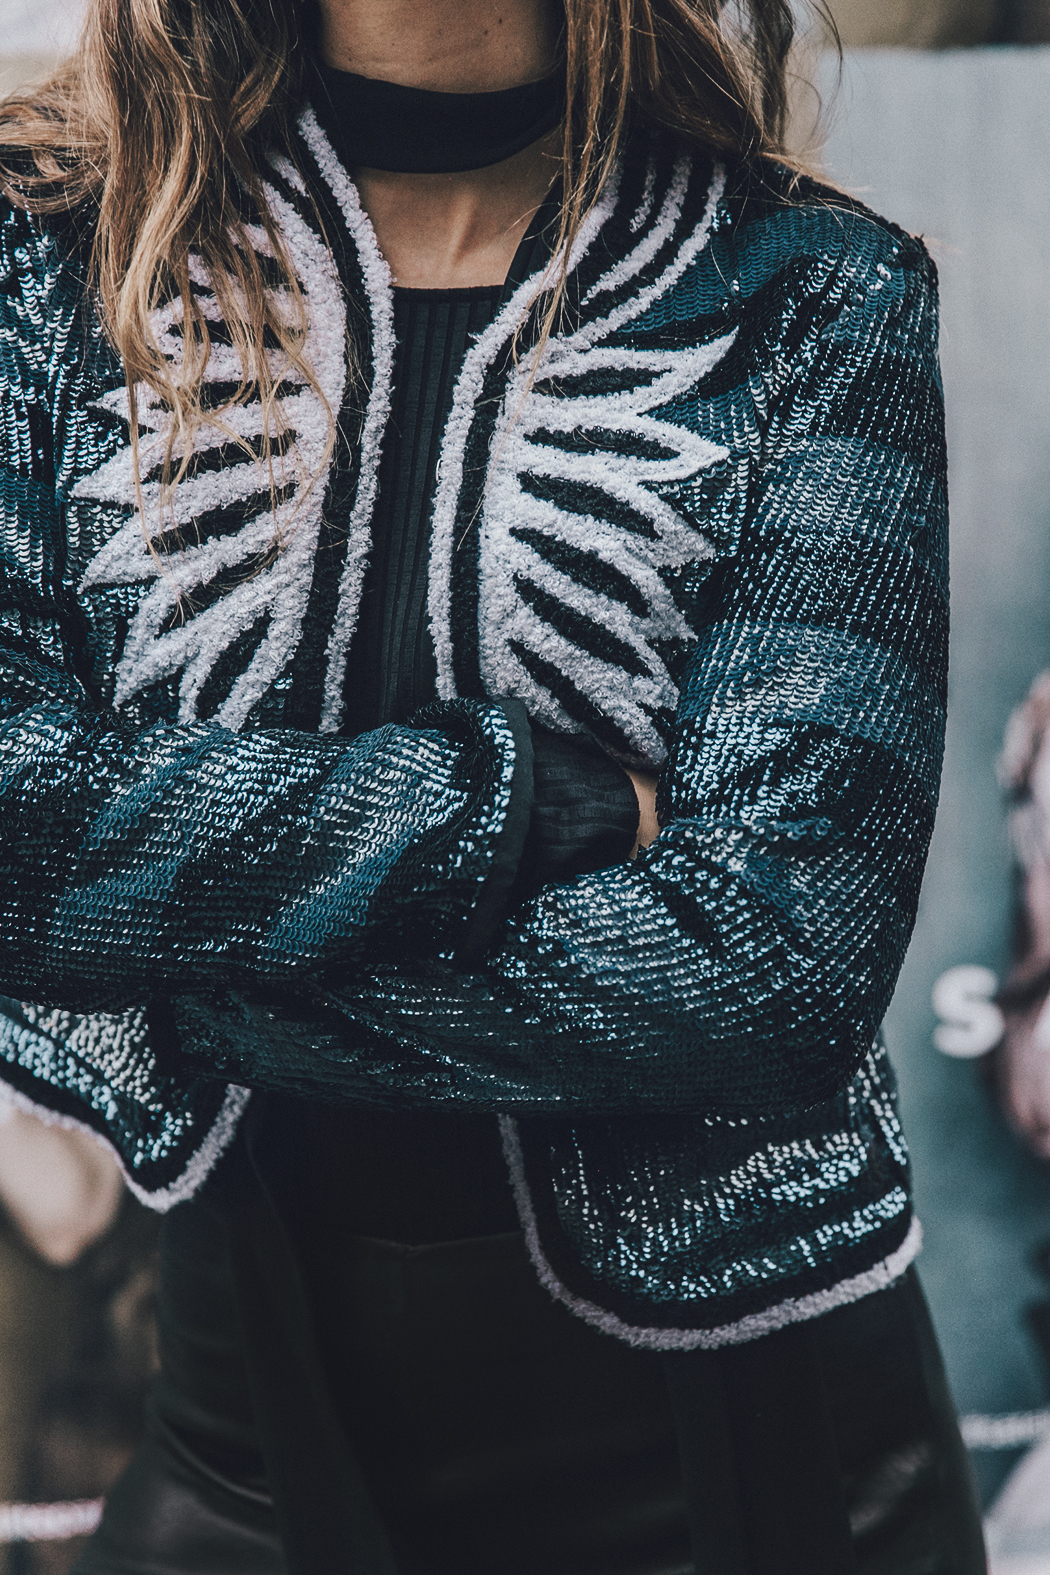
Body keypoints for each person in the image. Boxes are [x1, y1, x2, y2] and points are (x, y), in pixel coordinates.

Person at [0, 0, 984, 1568]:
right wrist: (523, 807)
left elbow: (778, 965)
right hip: (246, 1431)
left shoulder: (814, 295)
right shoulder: (53, 257)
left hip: (751, 1451)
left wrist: (174, 951)